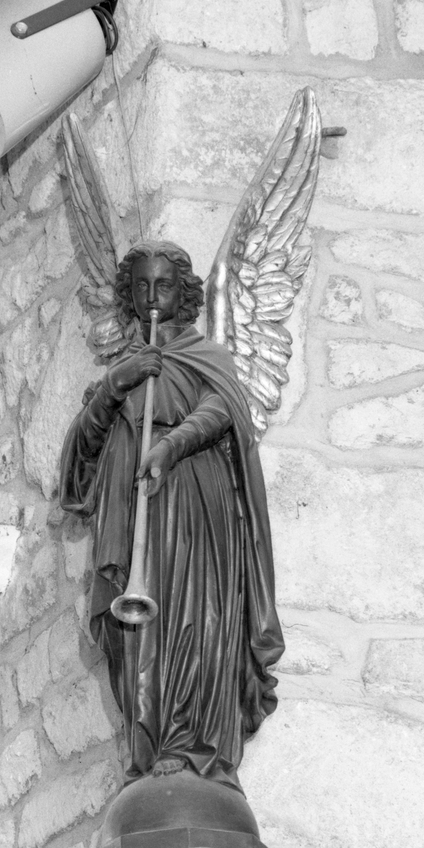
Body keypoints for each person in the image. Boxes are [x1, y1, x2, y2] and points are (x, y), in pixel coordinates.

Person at [59, 240, 284, 791]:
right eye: (141, 286)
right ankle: (150, 744)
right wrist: (116, 384)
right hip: (131, 511)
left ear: (182, 293)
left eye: (162, 285)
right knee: (138, 637)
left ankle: (191, 745)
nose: (151, 297)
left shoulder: (208, 356)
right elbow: (79, 460)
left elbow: (222, 409)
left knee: (193, 616)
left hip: (192, 505)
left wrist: (170, 444)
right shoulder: (123, 370)